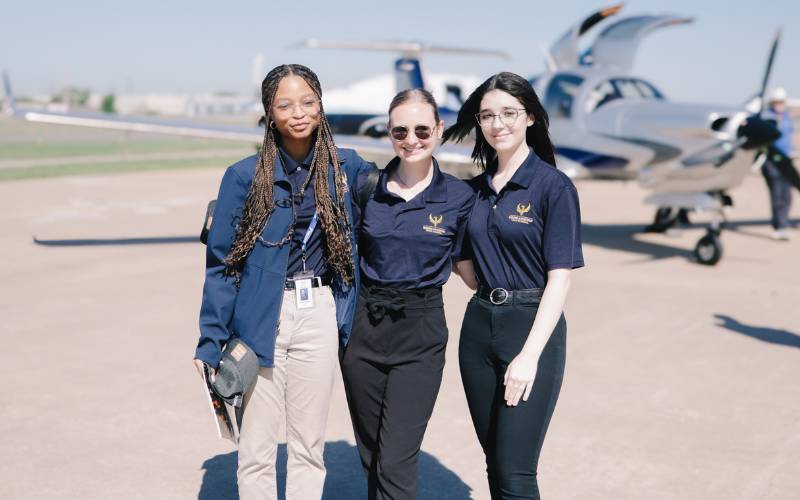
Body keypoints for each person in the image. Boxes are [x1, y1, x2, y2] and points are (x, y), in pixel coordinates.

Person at [192, 64, 373, 500]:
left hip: (321, 312)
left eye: (308, 102)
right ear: (269, 113)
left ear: (322, 107)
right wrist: (210, 339)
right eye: (285, 104)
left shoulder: (348, 167)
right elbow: (221, 264)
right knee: (255, 447)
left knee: (309, 445)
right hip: (261, 318)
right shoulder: (243, 176)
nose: (299, 113)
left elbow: (395, 200)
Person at [443, 72, 584, 499]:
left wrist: (529, 356)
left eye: (508, 113)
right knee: (495, 464)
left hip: (530, 327)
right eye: (487, 115)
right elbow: (468, 272)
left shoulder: (552, 186)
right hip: (479, 328)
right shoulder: (474, 191)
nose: (497, 123)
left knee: (516, 470)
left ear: (530, 119)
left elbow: (560, 279)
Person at [340, 88, 475, 500]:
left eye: (421, 129)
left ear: (438, 129)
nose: (411, 139)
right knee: (372, 455)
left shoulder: (459, 196)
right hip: (364, 330)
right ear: (388, 133)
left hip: (420, 332)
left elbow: (469, 271)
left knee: (397, 459)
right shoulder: (366, 189)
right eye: (400, 131)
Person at [762, 87, 796, 241]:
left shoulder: (787, 117)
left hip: (787, 161)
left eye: (781, 102)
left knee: (787, 195)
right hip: (772, 160)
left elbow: (790, 136)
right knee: (777, 195)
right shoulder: (767, 118)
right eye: (776, 102)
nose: (779, 105)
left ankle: (784, 223)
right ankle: (779, 226)